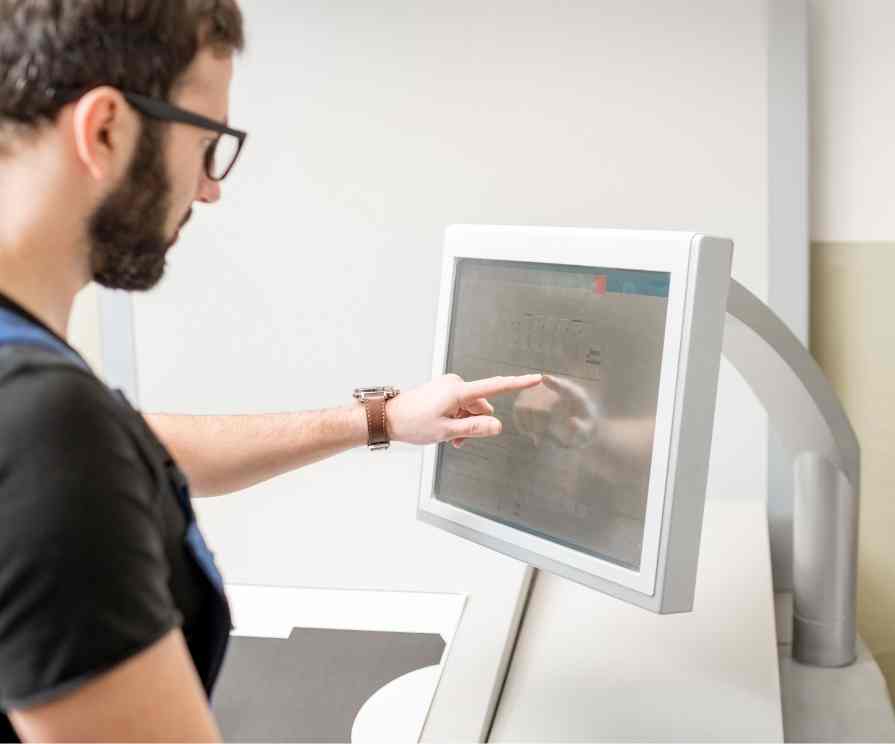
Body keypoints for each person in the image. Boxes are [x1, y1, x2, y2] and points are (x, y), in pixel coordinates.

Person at [0, 2, 541, 740]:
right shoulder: (40, 428)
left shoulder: (37, 408)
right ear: (105, 130)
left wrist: (381, 418)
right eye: (206, 146)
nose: (210, 188)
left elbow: (133, 446)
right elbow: (69, 457)